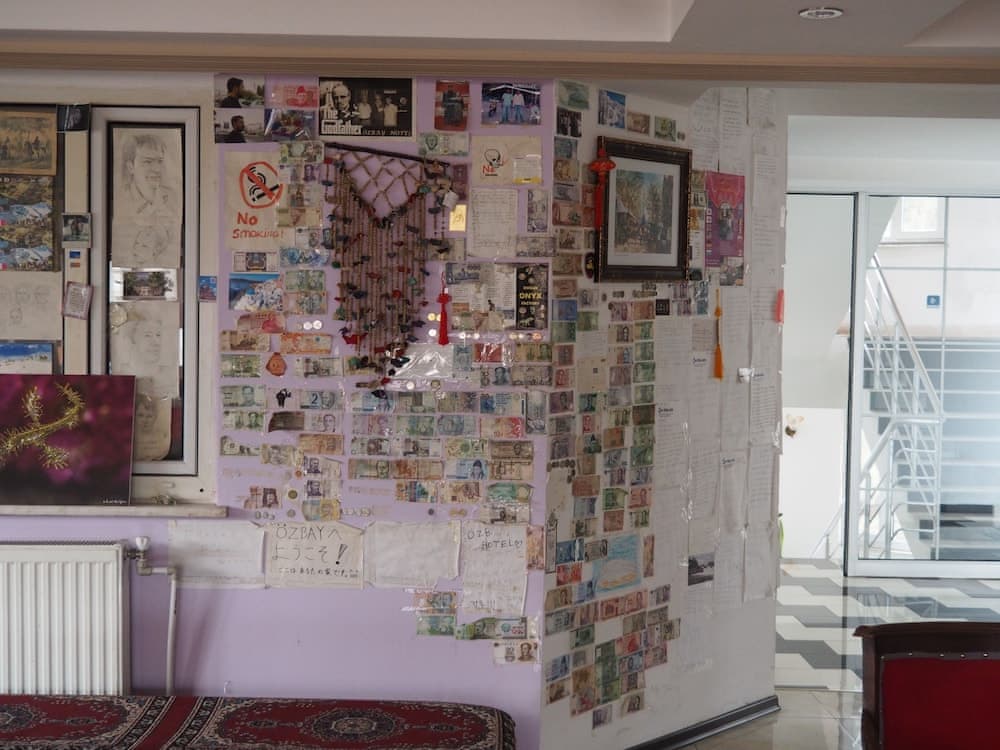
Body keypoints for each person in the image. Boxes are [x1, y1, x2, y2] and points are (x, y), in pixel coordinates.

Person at [118, 133, 180, 219]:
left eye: (160, 161)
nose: (157, 169)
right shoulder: (120, 200)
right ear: (130, 167)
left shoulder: (173, 197)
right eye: (148, 162)